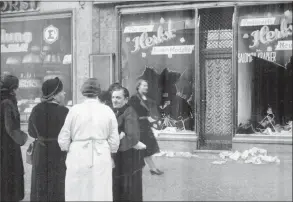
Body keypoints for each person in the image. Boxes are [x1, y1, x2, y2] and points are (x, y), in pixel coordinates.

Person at [58, 78, 120, 201]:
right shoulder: (107, 110)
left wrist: (66, 149)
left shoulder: (74, 110)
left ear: (83, 92)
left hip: (78, 153)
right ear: (98, 92)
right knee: (100, 189)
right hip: (101, 153)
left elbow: (64, 137)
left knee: (77, 189)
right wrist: (112, 152)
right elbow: (114, 139)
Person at [28, 77, 69, 201]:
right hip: (58, 153)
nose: (64, 93)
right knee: (57, 186)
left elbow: (31, 132)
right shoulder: (64, 111)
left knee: (40, 185)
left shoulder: (36, 109)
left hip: (40, 152)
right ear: (54, 96)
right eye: (62, 91)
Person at [112, 86, 146, 201]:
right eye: (113, 97)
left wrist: (116, 141)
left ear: (126, 100)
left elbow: (132, 137)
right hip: (122, 156)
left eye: (118, 97)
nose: (114, 100)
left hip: (128, 158)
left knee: (128, 191)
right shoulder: (117, 111)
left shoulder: (129, 112)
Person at [0, 75, 28, 201]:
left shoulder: (5, 100)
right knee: (10, 170)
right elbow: (9, 127)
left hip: (4, 143)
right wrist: (23, 138)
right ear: (12, 88)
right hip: (8, 145)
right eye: (16, 87)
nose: (18, 90)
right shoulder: (7, 103)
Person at [129, 79, 163, 175]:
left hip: (145, 125)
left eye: (147, 86)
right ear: (138, 86)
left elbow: (150, 112)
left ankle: (152, 168)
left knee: (146, 148)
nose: (146, 87)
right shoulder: (134, 98)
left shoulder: (147, 99)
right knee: (141, 148)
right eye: (144, 85)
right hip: (138, 126)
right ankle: (152, 168)